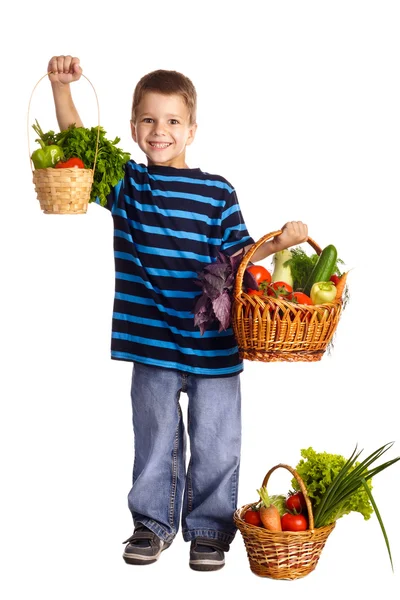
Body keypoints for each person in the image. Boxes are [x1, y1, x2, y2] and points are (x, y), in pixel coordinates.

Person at [46, 55, 308, 572]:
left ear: (191, 129)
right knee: (154, 442)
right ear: (132, 127)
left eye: (171, 121)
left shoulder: (217, 191)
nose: (159, 130)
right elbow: (79, 144)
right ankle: (152, 524)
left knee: (216, 441)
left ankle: (209, 531)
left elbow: (239, 258)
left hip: (214, 345)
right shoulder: (130, 188)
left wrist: (281, 242)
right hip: (153, 344)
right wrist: (61, 89)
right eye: (148, 119)